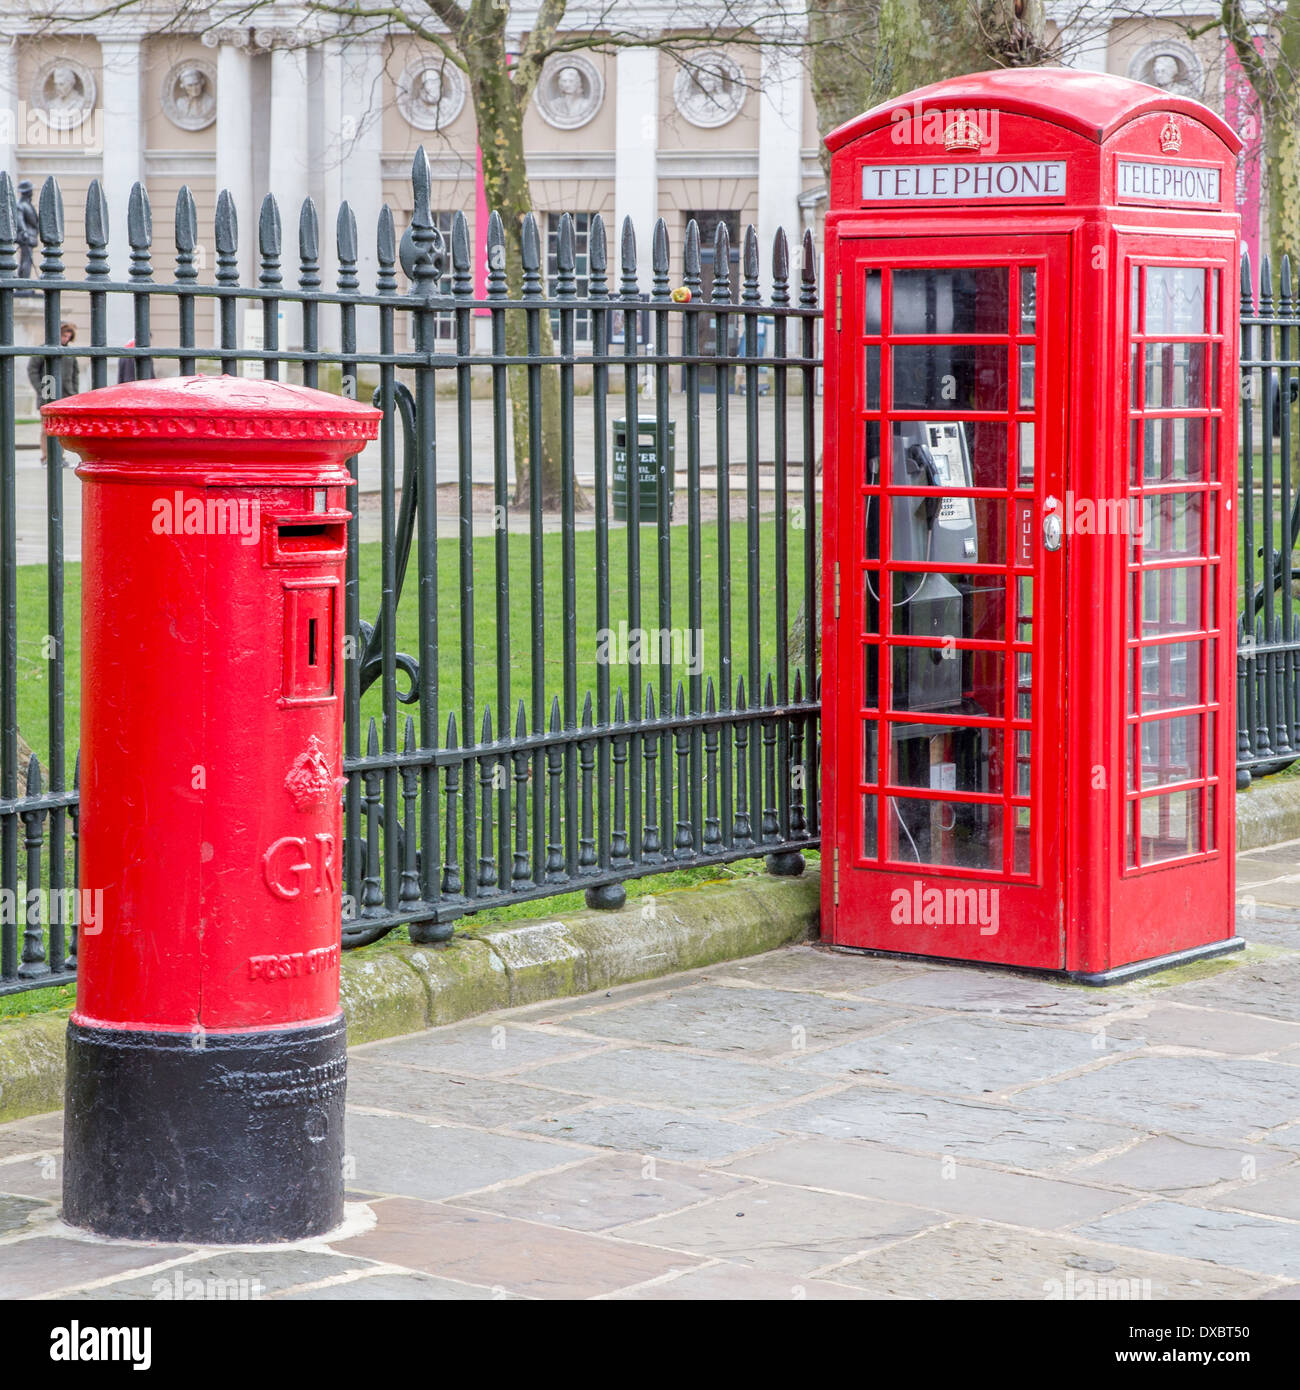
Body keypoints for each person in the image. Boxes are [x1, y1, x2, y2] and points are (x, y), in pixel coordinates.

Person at [27, 321, 79, 465]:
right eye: (63, 336)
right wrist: (41, 389)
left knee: (61, 429)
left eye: (68, 337)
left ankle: (59, 458)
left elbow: (75, 375)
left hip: (66, 396)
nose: (65, 339)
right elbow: (32, 371)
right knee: (46, 428)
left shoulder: (70, 353)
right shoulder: (43, 350)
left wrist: (74, 393)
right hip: (47, 395)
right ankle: (46, 458)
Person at [15, 180, 38, 289]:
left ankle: (23, 282)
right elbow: (20, 220)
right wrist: (24, 232)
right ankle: (23, 284)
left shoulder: (28, 205)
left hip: (31, 236)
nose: (32, 192)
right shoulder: (21, 205)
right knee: (26, 261)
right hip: (26, 237)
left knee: (26, 260)